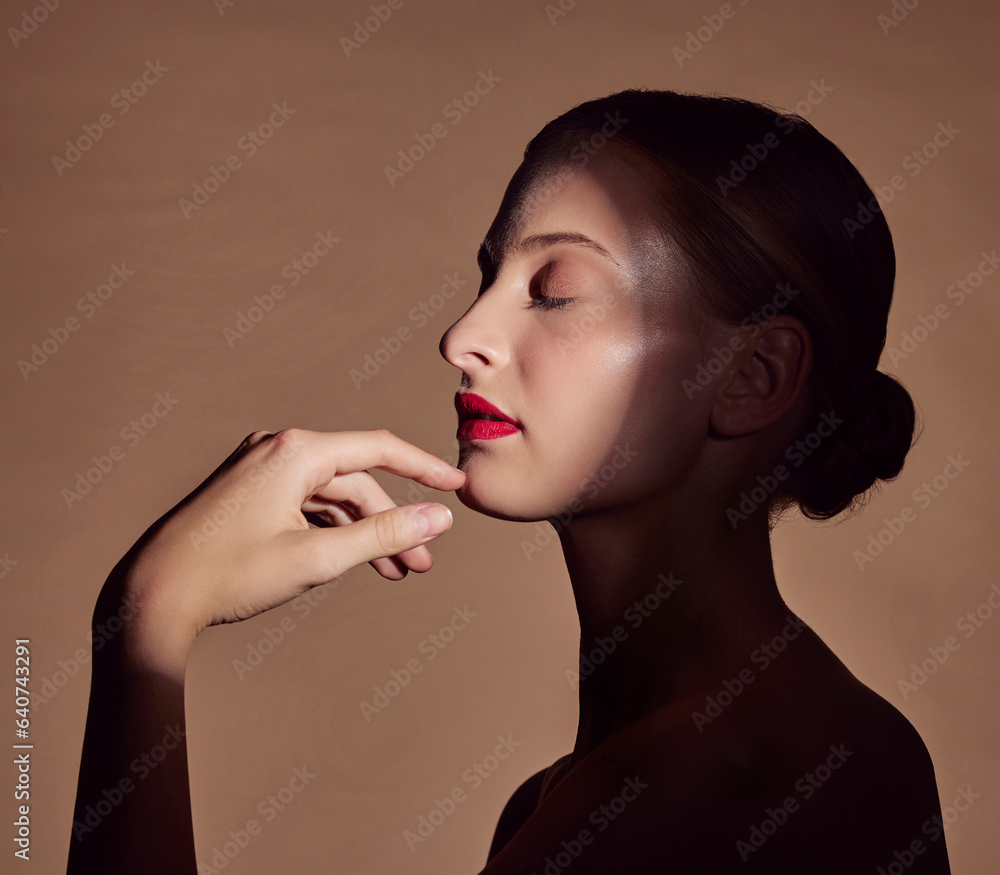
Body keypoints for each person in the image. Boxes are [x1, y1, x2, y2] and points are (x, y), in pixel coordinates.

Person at [67, 89, 952, 874]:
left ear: (751, 376)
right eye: (489, 276)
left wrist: (150, 615)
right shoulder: (561, 799)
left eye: (554, 289)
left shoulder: (750, 781)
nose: (462, 336)